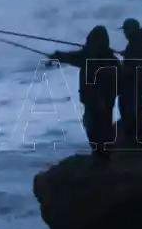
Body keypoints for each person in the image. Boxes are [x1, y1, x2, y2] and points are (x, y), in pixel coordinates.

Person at [47, 25, 121, 163]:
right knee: (99, 126)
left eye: (89, 41)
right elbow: (70, 57)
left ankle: (102, 156)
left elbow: (72, 57)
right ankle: (103, 155)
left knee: (96, 127)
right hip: (99, 100)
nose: (86, 43)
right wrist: (58, 56)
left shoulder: (91, 57)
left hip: (98, 100)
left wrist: (57, 56)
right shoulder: (108, 59)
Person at [116, 18, 142, 143]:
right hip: (140, 82)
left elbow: (134, 66)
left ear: (132, 30)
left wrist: (122, 68)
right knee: (138, 111)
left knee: (132, 111)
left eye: (126, 30)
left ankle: (136, 141)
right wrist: (126, 54)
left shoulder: (136, 43)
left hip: (134, 83)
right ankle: (139, 140)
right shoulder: (140, 41)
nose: (124, 33)